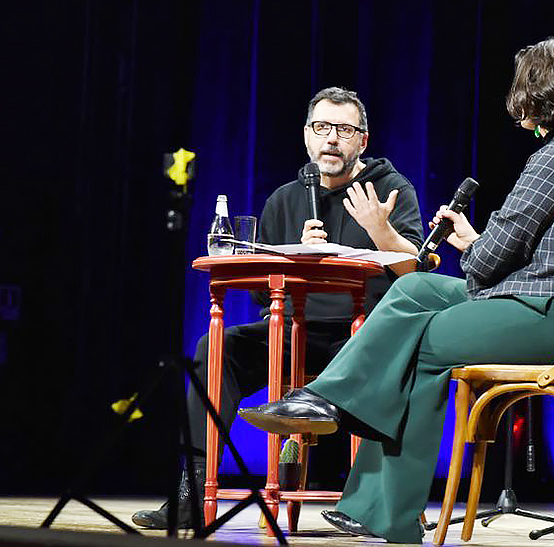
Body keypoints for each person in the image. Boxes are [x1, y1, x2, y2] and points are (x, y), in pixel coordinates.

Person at [239, 37, 554, 543]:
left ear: (539, 93)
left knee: (418, 344)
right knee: (416, 290)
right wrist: (476, 243)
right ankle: (327, 409)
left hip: (553, 312)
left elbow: (489, 262)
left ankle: (389, 507)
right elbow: (509, 251)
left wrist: (474, 246)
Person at [132, 87, 424, 529]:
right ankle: (190, 490)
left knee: (403, 356)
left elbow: (414, 275)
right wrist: (295, 258)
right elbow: (258, 293)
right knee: (214, 347)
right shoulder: (286, 198)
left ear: (362, 141)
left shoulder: (389, 189)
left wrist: (379, 230)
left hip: (363, 339)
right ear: (307, 136)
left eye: (345, 130)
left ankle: (377, 502)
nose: (332, 140)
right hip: (292, 332)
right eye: (322, 128)